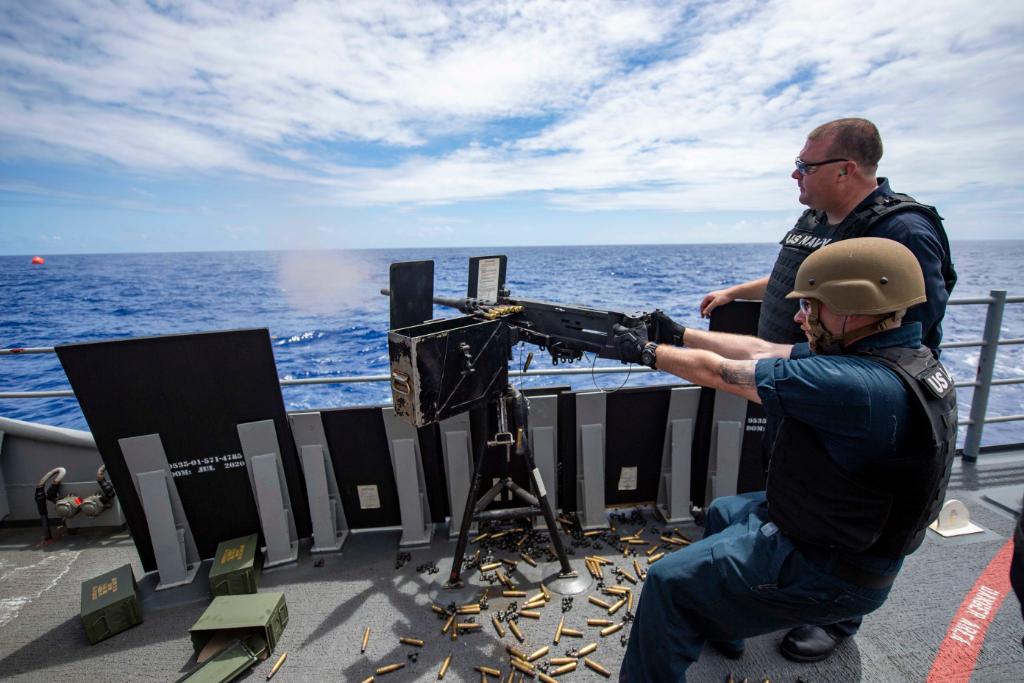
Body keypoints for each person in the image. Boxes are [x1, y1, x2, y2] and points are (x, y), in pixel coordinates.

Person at [614, 237, 958, 682]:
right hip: (851, 538)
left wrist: (643, 352)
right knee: (723, 511)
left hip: (831, 570)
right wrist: (678, 334)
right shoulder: (899, 355)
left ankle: (687, 623)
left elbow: (719, 373)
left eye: (811, 307)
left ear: (853, 309)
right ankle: (723, 625)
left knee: (666, 584)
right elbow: (764, 351)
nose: (799, 317)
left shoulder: (851, 385)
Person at [698, 117, 957, 662]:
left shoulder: (903, 232)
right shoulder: (819, 218)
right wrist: (734, 291)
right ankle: (783, 579)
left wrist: (851, 389)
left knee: (854, 506)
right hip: (801, 382)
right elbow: (797, 278)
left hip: (849, 396)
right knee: (796, 489)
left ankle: (838, 616)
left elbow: (916, 331)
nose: (795, 174)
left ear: (846, 169)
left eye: (805, 166)